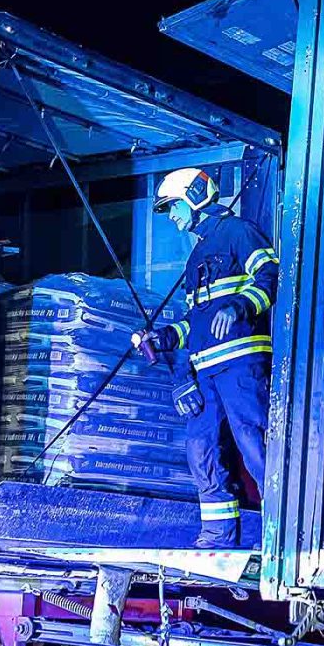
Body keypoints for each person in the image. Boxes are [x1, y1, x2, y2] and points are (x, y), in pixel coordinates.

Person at [134, 167, 278, 548]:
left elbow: (270, 277)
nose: (172, 216)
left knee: (255, 443)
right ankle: (217, 537)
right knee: (201, 450)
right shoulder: (195, 255)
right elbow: (192, 322)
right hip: (204, 372)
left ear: (196, 197)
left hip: (241, 363)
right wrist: (163, 337)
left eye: (174, 206)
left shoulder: (238, 233)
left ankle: (279, 536)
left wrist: (239, 307)